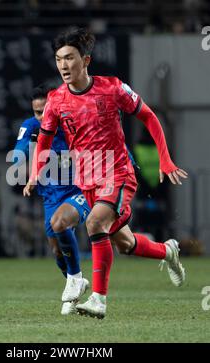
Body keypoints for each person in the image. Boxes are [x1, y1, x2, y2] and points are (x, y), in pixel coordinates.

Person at [24, 27, 188, 319]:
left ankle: (98, 299)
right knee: (124, 243)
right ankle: (169, 252)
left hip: (118, 173)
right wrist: (36, 172)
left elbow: (148, 116)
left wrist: (165, 159)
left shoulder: (112, 88)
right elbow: (45, 139)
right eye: (59, 58)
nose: (63, 65)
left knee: (94, 222)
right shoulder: (56, 101)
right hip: (87, 182)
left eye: (70, 58)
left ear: (85, 60)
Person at [13, 84, 91, 315]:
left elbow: (103, 139)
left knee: (61, 224)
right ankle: (76, 285)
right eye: (37, 112)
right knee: (56, 250)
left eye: (46, 109)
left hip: (80, 189)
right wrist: (31, 146)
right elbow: (18, 153)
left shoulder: (72, 121)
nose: (43, 115)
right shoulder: (31, 127)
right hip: (50, 196)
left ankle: (77, 281)